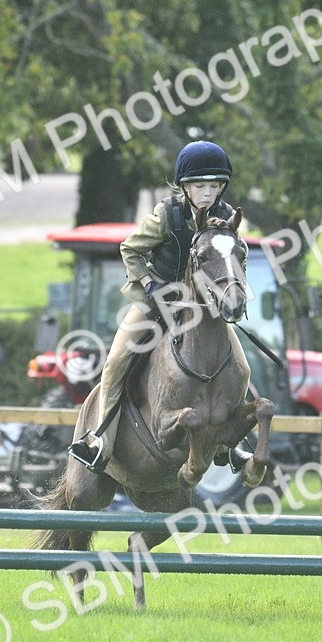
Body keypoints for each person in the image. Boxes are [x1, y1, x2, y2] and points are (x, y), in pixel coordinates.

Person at [68, 140, 252, 472]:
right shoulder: (167, 214)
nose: (207, 193)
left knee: (242, 368)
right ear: (185, 186)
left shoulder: (227, 218)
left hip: (203, 310)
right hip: (157, 304)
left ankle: (231, 444)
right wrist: (152, 284)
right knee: (115, 363)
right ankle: (99, 441)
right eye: (200, 186)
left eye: (214, 186)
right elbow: (130, 250)